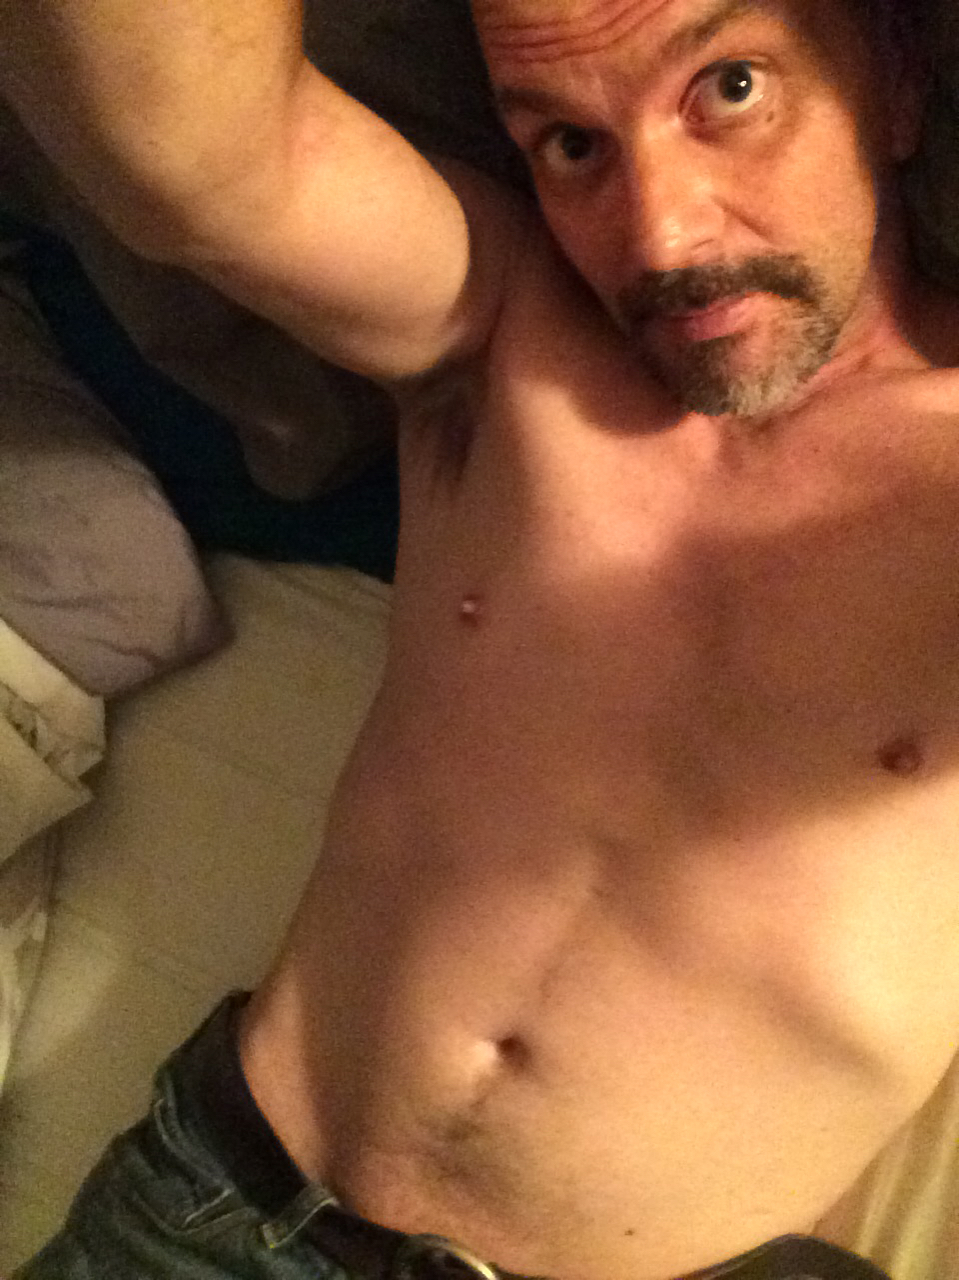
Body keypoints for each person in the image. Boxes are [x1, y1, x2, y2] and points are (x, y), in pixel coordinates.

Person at [3, 0, 959, 1276]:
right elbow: (195, 156)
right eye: (569, 144)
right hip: (204, 1214)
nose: (661, 235)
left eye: (729, 88)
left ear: (895, 77)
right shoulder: (512, 324)